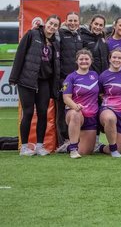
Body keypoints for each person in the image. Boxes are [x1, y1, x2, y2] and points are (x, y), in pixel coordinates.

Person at [10, 15, 61, 156]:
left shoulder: (55, 43)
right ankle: (25, 147)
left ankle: (39, 146)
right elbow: (20, 55)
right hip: (26, 80)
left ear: (57, 28)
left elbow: (55, 65)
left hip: (44, 81)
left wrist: (55, 85)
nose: (52, 27)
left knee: (43, 113)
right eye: (51, 23)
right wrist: (14, 77)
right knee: (27, 113)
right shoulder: (32, 34)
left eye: (55, 25)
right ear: (46, 23)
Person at [97, 49, 121, 158]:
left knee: (119, 149)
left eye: (120, 58)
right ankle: (114, 151)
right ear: (109, 59)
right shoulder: (103, 76)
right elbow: (100, 93)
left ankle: (99, 147)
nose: (116, 60)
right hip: (108, 109)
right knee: (110, 118)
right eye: (114, 57)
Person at [62, 49, 99, 158]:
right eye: (81, 59)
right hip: (75, 113)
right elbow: (66, 98)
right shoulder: (70, 77)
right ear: (77, 61)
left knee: (85, 152)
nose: (84, 61)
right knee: (75, 114)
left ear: (91, 61)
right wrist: (75, 106)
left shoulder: (95, 75)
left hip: (91, 117)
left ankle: (68, 147)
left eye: (86, 59)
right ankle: (73, 149)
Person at [56, 12, 83, 152]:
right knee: (62, 109)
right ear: (66, 21)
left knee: (76, 109)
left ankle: (76, 139)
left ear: (79, 22)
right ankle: (64, 141)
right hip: (63, 79)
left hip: (78, 79)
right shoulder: (59, 33)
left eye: (75, 21)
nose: (73, 23)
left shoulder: (79, 34)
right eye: (70, 20)